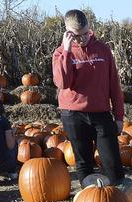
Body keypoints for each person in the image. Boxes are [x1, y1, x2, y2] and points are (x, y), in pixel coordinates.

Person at [52, 9, 125, 186]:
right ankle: (90, 201)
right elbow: (63, 82)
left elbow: (114, 84)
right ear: (67, 32)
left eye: (85, 33)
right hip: (73, 115)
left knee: (112, 163)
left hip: (101, 114)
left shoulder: (102, 50)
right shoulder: (59, 53)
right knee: (84, 163)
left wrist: (119, 116)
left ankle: (119, 201)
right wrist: (67, 52)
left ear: (89, 28)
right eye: (77, 36)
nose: (82, 39)